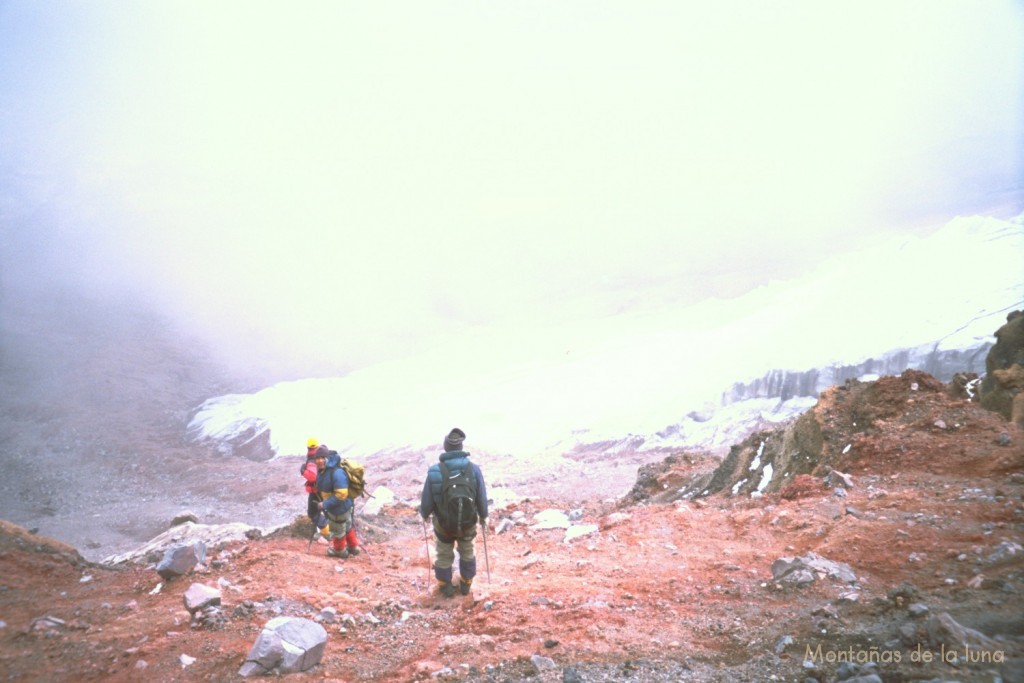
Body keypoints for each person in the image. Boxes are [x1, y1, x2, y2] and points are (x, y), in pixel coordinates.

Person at [420, 427, 488, 597]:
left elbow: (427, 503)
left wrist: (424, 514)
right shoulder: (474, 469)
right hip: (468, 523)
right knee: (467, 550)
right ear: (461, 448)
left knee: (443, 552)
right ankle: (466, 584)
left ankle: (445, 587)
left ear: (446, 448)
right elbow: (481, 496)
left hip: (443, 524)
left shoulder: (435, 471)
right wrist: (483, 516)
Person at [315, 447, 360, 558]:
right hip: (345, 506)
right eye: (317, 458)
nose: (319, 460)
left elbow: (341, 494)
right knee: (348, 527)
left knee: (337, 530)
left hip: (338, 509)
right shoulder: (326, 470)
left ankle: (339, 551)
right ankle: (353, 547)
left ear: (327, 458)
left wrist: (324, 504)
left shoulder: (336, 472)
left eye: (322, 457)